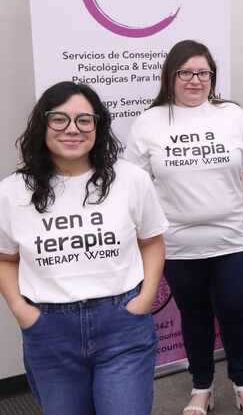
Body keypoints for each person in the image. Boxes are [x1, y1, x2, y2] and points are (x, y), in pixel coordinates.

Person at [0, 81, 167, 415]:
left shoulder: (131, 179)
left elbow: (151, 242)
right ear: (43, 125)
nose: (72, 129)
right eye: (59, 119)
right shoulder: (12, 192)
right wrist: (21, 310)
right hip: (49, 332)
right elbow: (5, 260)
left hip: (121, 326)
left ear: (98, 126)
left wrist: (145, 299)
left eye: (84, 120)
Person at [126, 40, 243, 415]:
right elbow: (136, 187)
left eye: (203, 73)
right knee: (194, 316)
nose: (195, 80)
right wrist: (146, 241)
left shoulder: (231, 116)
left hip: (229, 240)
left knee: (235, 312)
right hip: (176, 245)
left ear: (212, 77)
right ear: (171, 77)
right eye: (186, 73)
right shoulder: (150, 121)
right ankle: (201, 387)